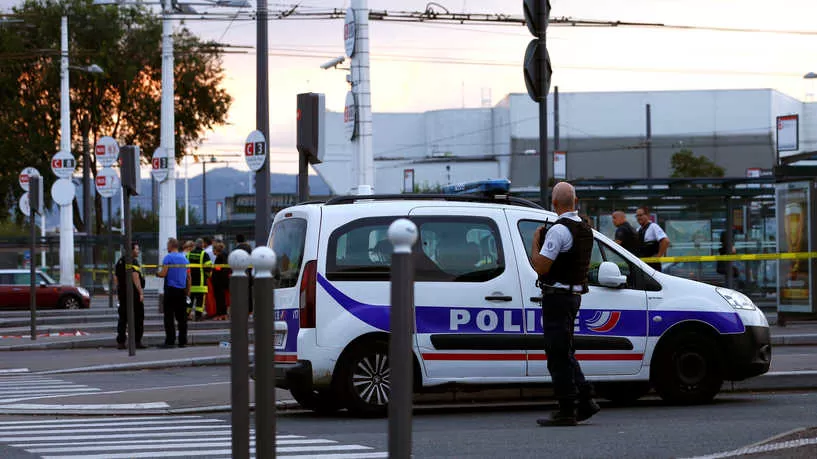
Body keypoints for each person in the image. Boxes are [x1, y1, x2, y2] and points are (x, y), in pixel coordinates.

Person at [531, 182, 600, 427]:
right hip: (574, 296)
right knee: (565, 350)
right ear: (576, 201)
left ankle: (567, 409)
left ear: (554, 203)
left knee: (557, 354)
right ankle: (584, 399)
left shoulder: (559, 231)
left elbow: (541, 266)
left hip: (557, 298)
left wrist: (535, 241)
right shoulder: (584, 228)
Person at [156, 238, 190, 348]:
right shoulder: (184, 259)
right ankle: (182, 341)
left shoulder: (168, 257)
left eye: (167, 245)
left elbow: (164, 273)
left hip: (170, 291)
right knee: (182, 318)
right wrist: (188, 292)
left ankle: (170, 341)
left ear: (171, 246)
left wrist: (157, 273)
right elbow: (189, 277)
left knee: (169, 317)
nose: (167, 247)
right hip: (181, 291)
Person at [114, 242, 146, 349]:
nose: (138, 251)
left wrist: (118, 291)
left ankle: (121, 342)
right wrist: (140, 292)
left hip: (123, 294)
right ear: (131, 250)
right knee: (138, 318)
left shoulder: (120, 261)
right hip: (134, 294)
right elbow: (135, 277)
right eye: (136, 249)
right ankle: (137, 341)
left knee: (123, 319)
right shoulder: (133, 261)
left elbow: (116, 279)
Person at [635, 207, 670, 272]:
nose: (638, 218)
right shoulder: (638, 229)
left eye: (640, 215)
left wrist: (659, 256)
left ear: (647, 215)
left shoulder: (653, 226)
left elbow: (666, 241)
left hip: (653, 266)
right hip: (642, 265)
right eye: (637, 216)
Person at [186, 238, 212, 321]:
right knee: (200, 301)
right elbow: (208, 267)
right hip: (201, 283)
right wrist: (208, 275)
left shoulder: (189, 254)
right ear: (203, 245)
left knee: (189, 300)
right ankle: (198, 316)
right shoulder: (204, 254)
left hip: (190, 283)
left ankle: (186, 314)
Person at [211, 242, 231, 321]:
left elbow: (219, 269)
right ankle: (224, 314)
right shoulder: (225, 255)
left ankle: (220, 315)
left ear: (216, 250)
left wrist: (214, 271)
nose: (213, 252)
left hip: (219, 281)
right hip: (224, 280)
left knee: (219, 298)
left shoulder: (220, 257)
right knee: (223, 298)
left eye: (213, 250)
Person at [235, 234, 254, 315]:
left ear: (236, 240)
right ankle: (250, 310)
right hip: (249, 273)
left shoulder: (237, 249)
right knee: (249, 292)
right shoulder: (249, 248)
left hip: (240, 273)